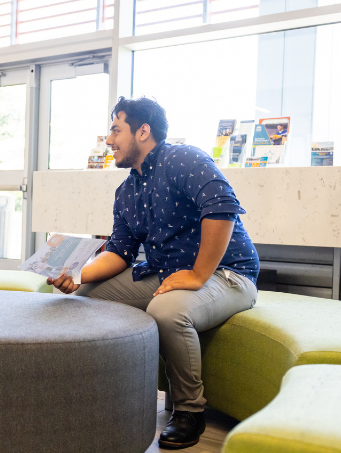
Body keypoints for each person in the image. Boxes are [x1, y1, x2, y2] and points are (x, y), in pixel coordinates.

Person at [47, 97, 259, 450]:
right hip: (165, 273)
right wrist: (78, 274)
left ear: (143, 131)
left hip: (228, 274)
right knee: (83, 300)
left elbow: (223, 208)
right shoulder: (127, 190)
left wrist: (197, 274)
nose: (109, 140)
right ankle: (108, 392)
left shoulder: (183, 159)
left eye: (116, 130)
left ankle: (190, 411)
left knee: (166, 310)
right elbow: (119, 252)